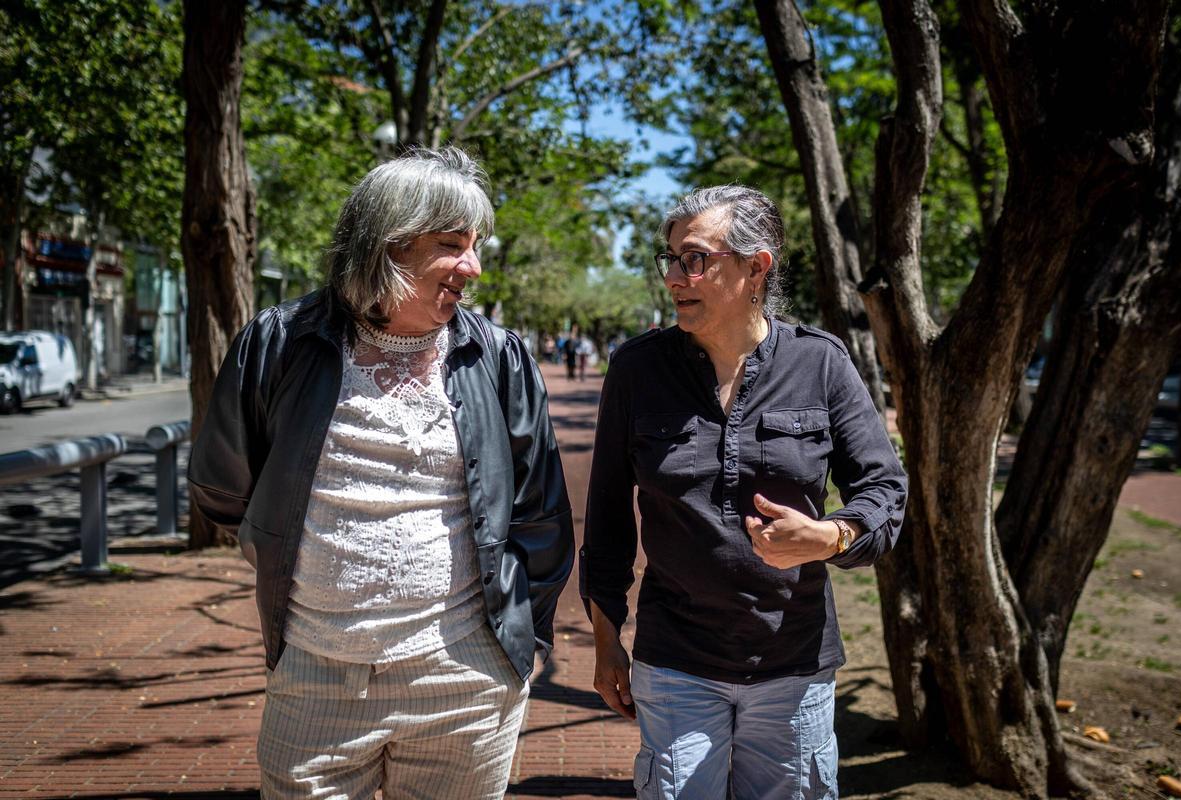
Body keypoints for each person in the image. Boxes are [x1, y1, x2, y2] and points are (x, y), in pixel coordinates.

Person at [189, 147, 574, 800]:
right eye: (454, 245)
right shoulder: (279, 342)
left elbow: (540, 516)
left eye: (474, 244)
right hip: (314, 678)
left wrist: (522, 645)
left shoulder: (499, 356)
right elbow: (223, 489)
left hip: (468, 681)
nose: (474, 267)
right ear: (388, 245)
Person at [581, 185, 907, 800]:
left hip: (793, 666)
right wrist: (605, 643)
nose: (676, 276)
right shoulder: (637, 370)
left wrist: (830, 536)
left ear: (756, 266)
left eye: (695, 259)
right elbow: (605, 525)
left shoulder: (822, 364)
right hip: (675, 661)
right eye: (671, 259)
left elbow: (885, 490)